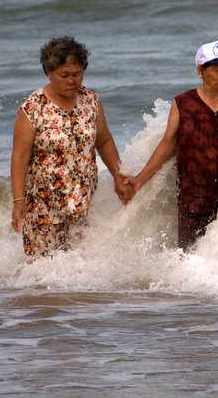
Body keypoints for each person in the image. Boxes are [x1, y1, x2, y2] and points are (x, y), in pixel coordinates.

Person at [11, 36, 133, 256]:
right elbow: (20, 156)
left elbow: (104, 141)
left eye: (77, 74)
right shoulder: (32, 108)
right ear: (49, 73)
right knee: (42, 272)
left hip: (83, 201)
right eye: (64, 75)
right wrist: (18, 201)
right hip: (43, 204)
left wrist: (118, 176)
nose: (72, 81)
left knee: (80, 269)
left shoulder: (91, 100)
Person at [125, 40, 218, 251]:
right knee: (190, 258)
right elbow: (167, 145)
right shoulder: (183, 103)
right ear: (201, 70)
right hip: (193, 198)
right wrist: (139, 180)